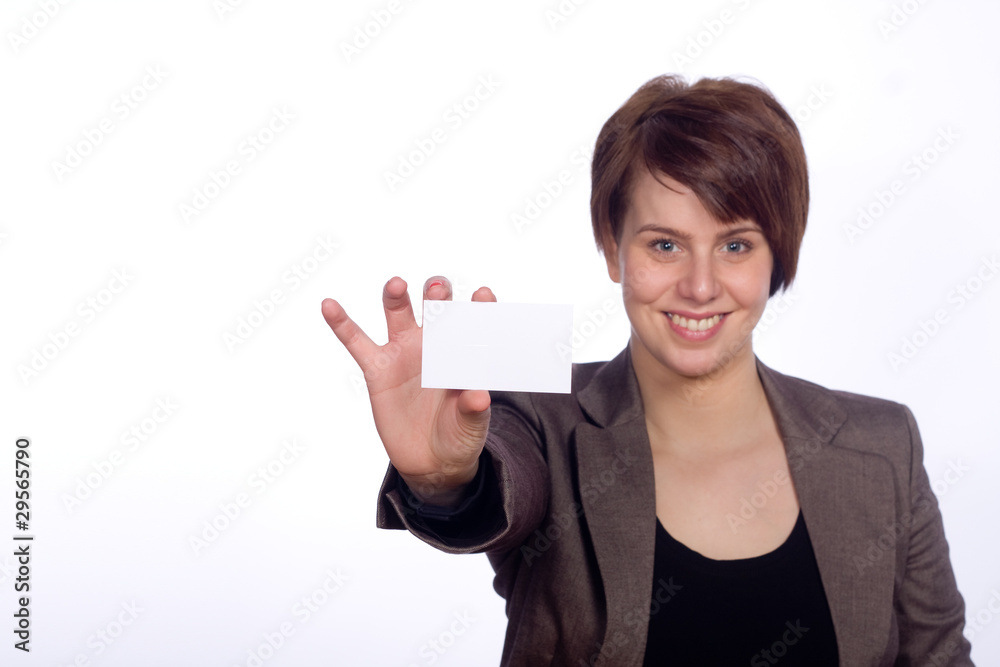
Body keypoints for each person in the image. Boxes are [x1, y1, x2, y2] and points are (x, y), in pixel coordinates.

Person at [322, 75, 973, 665]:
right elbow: (500, 484)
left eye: (736, 244)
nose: (700, 285)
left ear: (778, 252)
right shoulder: (543, 417)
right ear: (612, 247)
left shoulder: (882, 443)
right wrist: (444, 478)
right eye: (665, 244)